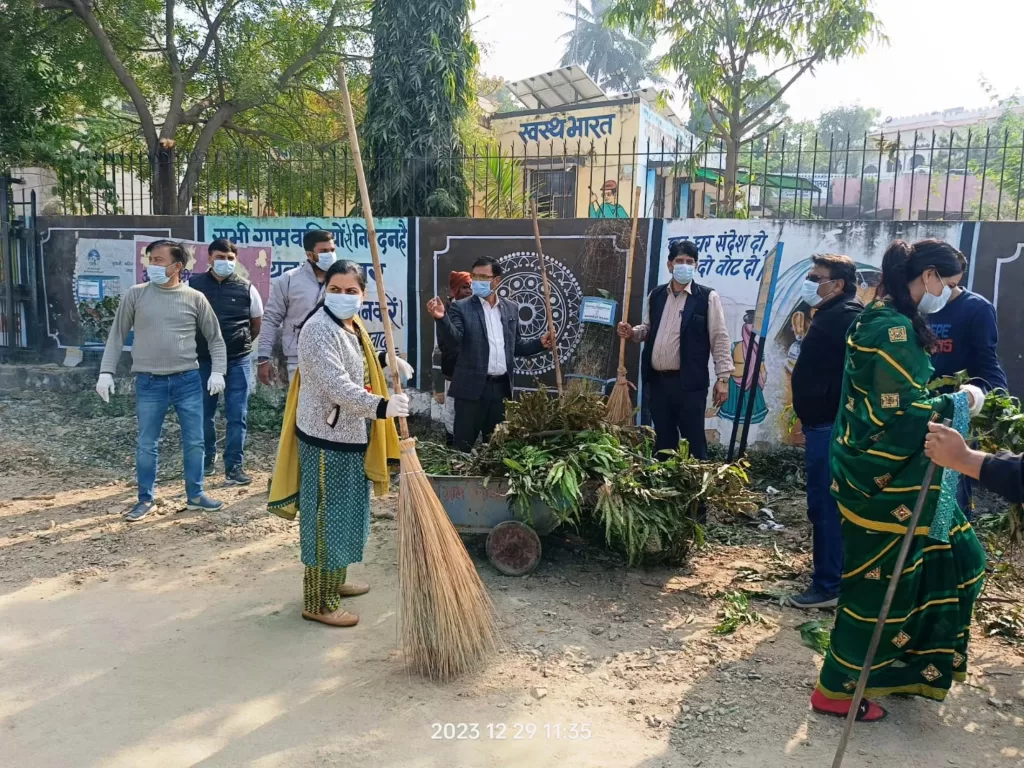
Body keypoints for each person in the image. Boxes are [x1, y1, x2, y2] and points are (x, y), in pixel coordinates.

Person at [811, 238, 987, 723]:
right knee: (875, 587)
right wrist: (962, 402)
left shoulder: (886, 318)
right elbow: (901, 413)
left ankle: (902, 666)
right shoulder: (888, 328)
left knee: (956, 562)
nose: (950, 294)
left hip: (898, 477)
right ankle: (836, 690)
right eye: (948, 284)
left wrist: (948, 396)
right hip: (884, 483)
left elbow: (897, 396)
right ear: (927, 277)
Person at [267, 260, 406, 627]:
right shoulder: (316, 329)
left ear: (363, 295)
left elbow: (356, 364)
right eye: (336, 289)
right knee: (326, 518)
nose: (343, 297)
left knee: (347, 514)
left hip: (351, 433)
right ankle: (318, 601)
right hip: (326, 437)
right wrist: (382, 406)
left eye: (351, 291)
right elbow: (336, 385)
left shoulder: (351, 323)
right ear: (324, 289)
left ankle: (336, 582)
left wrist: (384, 361)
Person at [95, 240, 227, 522]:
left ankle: (196, 495)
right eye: (150, 260)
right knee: (147, 443)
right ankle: (145, 499)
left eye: (158, 260)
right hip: (149, 382)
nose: (151, 265)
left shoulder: (194, 298)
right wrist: (106, 372)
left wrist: (218, 371)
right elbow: (117, 335)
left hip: (187, 380)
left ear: (177, 266)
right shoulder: (136, 295)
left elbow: (215, 339)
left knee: (194, 441)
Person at [788, 254, 864, 610]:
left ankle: (828, 584)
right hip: (821, 423)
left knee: (826, 504)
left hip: (830, 426)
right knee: (825, 504)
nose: (810, 282)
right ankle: (834, 577)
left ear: (838, 285)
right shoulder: (830, 315)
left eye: (816, 277)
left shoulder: (847, 317)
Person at [617, 239, 733, 460]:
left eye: (690, 261)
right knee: (664, 439)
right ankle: (663, 485)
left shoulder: (707, 298)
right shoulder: (657, 295)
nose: (685, 265)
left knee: (693, 439)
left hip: (689, 383)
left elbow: (719, 338)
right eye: (679, 260)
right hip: (658, 382)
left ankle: (698, 485)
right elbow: (649, 329)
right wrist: (632, 333)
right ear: (669, 265)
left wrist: (723, 378)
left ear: (696, 265)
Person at [427, 256, 554, 452]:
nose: (477, 281)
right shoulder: (462, 308)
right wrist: (442, 319)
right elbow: (454, 342)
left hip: (500, 390)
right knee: (462, 450)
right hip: (470, 390)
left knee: (496, 449)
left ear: (497, 280)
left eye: (483, 277)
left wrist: (539, 344)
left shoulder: (511, 308)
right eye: (475, 276)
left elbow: (515, 346)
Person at [927, 250, 1008, 520]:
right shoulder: (912, 308)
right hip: (916, 412)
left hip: (955, 416)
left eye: (951, 285)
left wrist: (980, 394)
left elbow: (987, 364)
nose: (944, 292)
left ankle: (953, 550)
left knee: (948, 503)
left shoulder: (976, 309)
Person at [189, 238, 264, 485]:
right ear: (209, 258)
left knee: (237, 415)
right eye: (220, 257)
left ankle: (234, 466)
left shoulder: (247, 288)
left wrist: (238, 343)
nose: (225, 262)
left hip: (237, 361)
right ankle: (207, 461)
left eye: (230, 258)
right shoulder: (193, 286)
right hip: (203, 361)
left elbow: (255, 324)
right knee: (203, 413)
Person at [258, 230, 335, 385]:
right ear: (310, 255)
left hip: (334, 358)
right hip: (298, 360)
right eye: (324, 251)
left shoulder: (341, 280)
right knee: (300, 408)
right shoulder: (288, 280)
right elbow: (271, 320)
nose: (330, 255)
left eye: (332, 250)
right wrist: (263, 358)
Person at [432, 271, 473, 444]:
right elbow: (445, 344)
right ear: (454, 289)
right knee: (452, 409)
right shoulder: (445, 312)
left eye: (470, 287)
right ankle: (451, 444)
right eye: (464, 287)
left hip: (473, 372)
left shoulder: (475, 309)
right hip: (454, 371)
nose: (469, 291)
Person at [717, 309, 768, 424]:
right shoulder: (734, 346)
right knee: (733, 412)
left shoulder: (757, 348)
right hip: (734, 383)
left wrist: (763, 373)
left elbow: (761, 365)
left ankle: (748, 439)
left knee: (750, 411)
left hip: (751, 383)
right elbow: (725, 362)